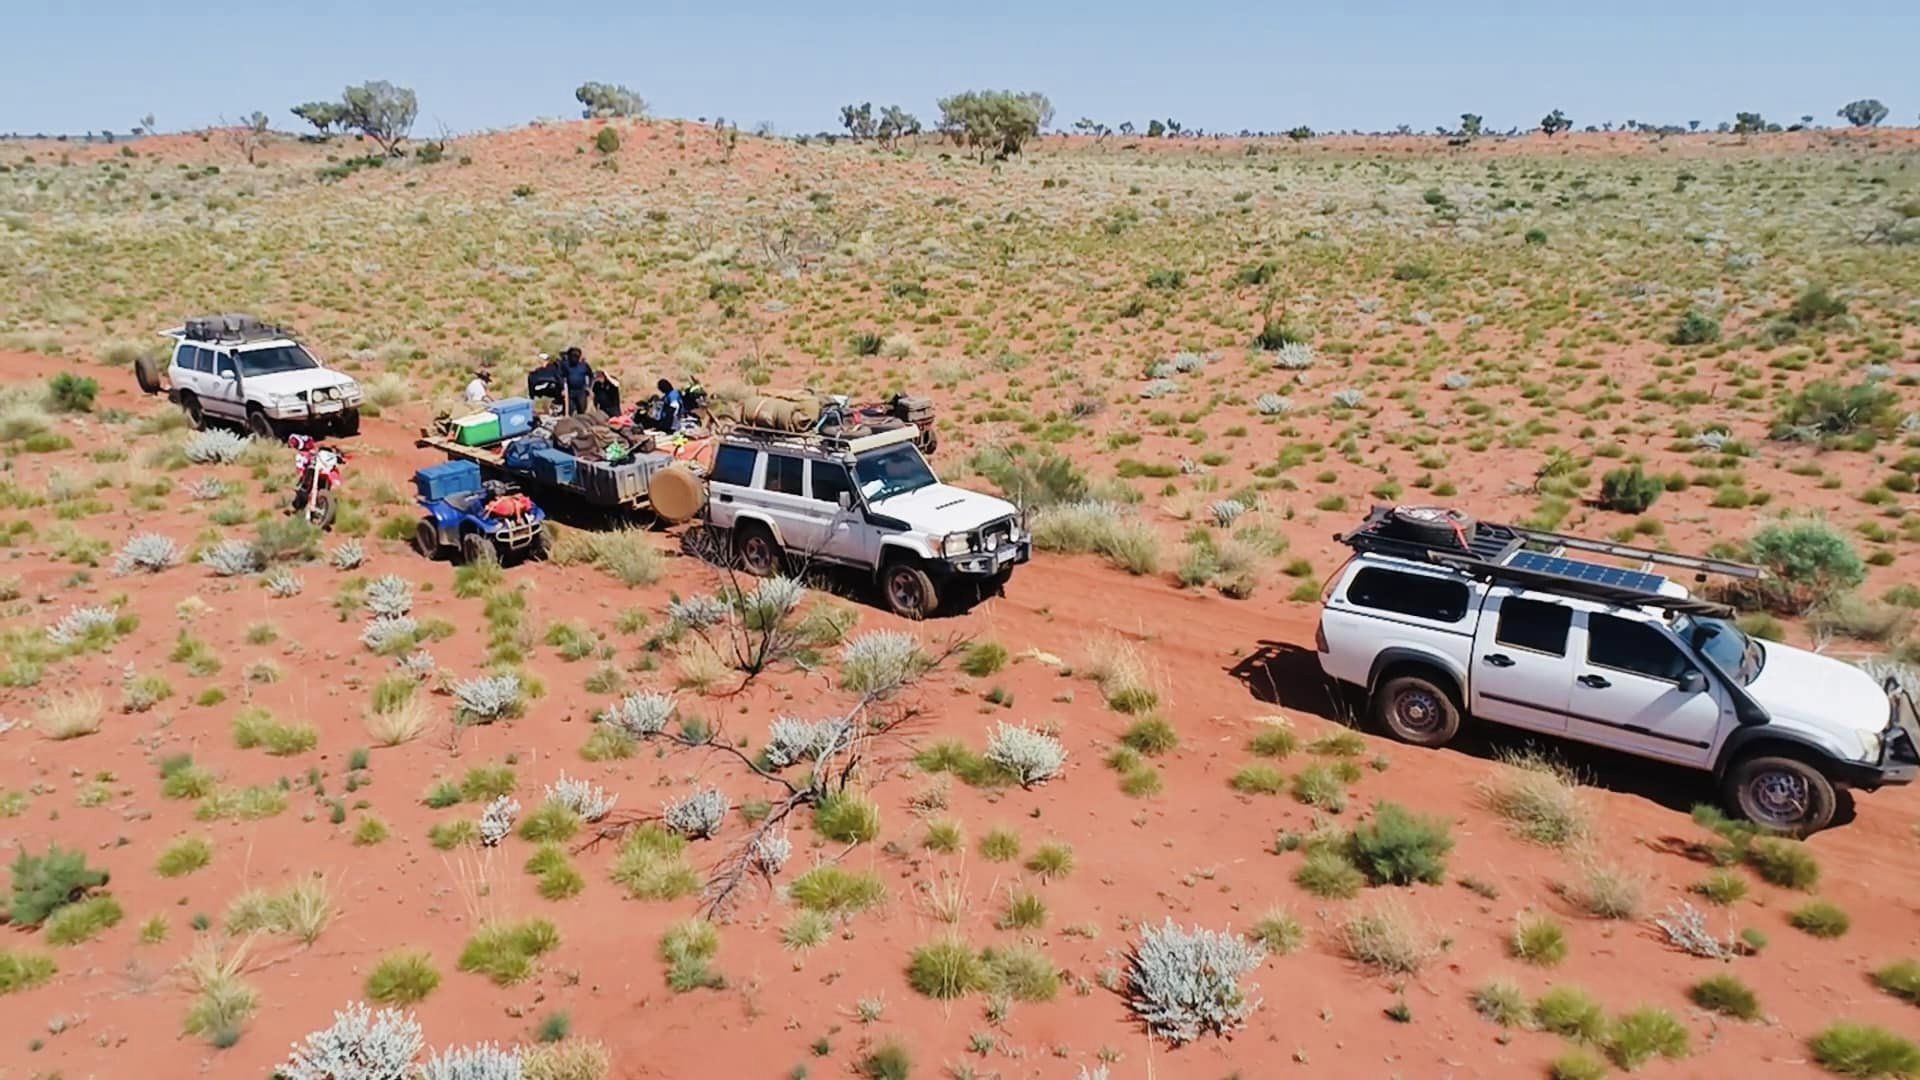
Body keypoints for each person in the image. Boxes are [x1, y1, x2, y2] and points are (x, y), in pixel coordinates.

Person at [558, 347, 593, 416]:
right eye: (572, 356)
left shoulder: (584, 365)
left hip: (581, 391)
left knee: (582, 410)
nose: (574, 358)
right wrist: (562, 388)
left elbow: (591, 375)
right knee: (570, 410)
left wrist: (589, 386)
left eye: (576, 357)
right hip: (570, 391)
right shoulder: (565, 365)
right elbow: (561, 376)